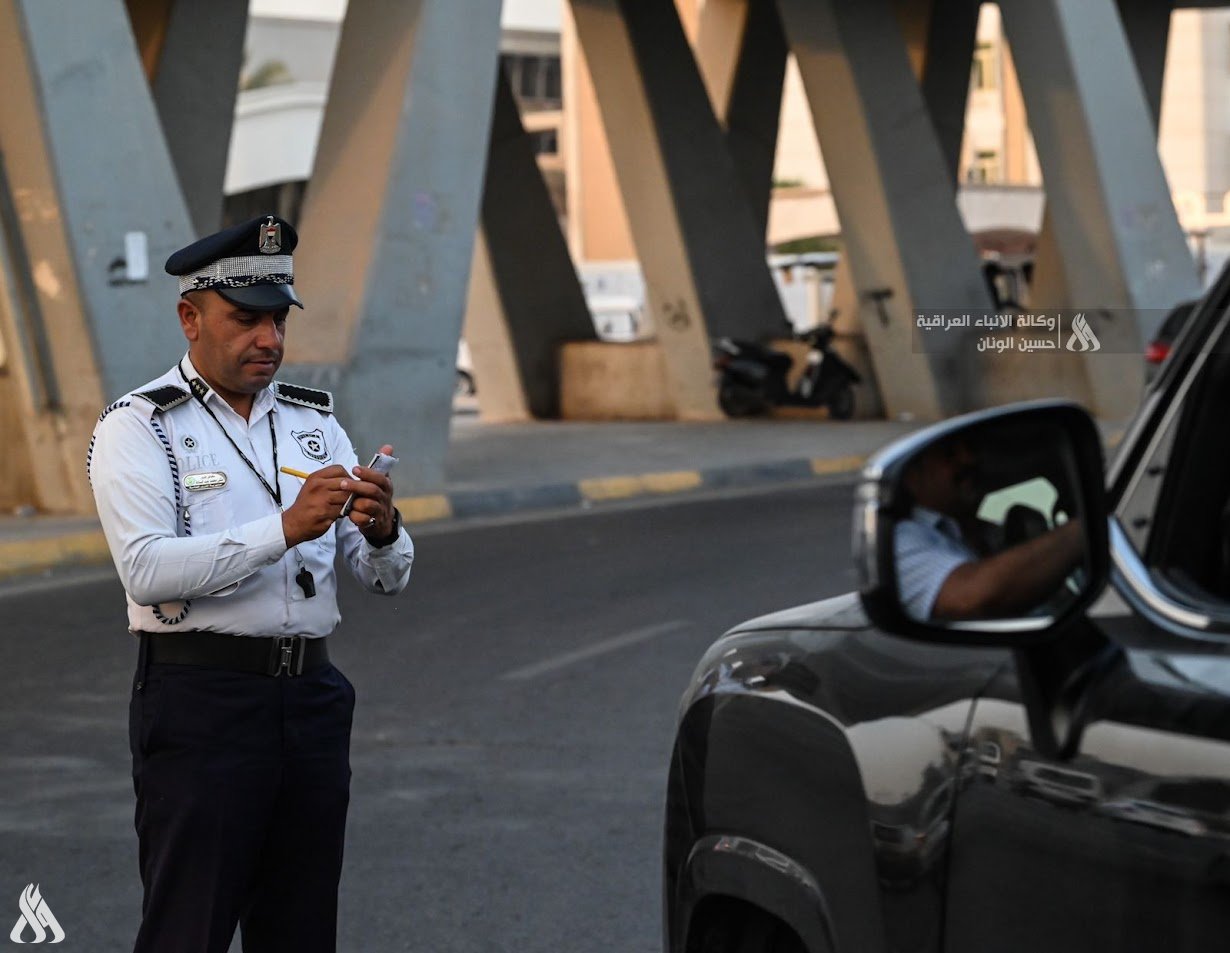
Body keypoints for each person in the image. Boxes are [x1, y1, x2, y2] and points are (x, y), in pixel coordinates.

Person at [87, 214, 415, 953]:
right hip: (202, 705)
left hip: (311, 702)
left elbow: (382, 579)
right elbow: (145, 568)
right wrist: (285, 528)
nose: (268, 339)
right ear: (190, 317)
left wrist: (383, 529)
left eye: (277, 320)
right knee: (188, 928)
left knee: (301, 930)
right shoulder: (140, 427)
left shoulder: (314, 422)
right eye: (246, 320)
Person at [894, 435, 1083, 621]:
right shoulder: (900, 542)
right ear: (912, 476)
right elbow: (967, 599)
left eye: (971, 449)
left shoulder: (991, 533)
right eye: (949, 453)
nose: (969, 459)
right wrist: (1081, 531)